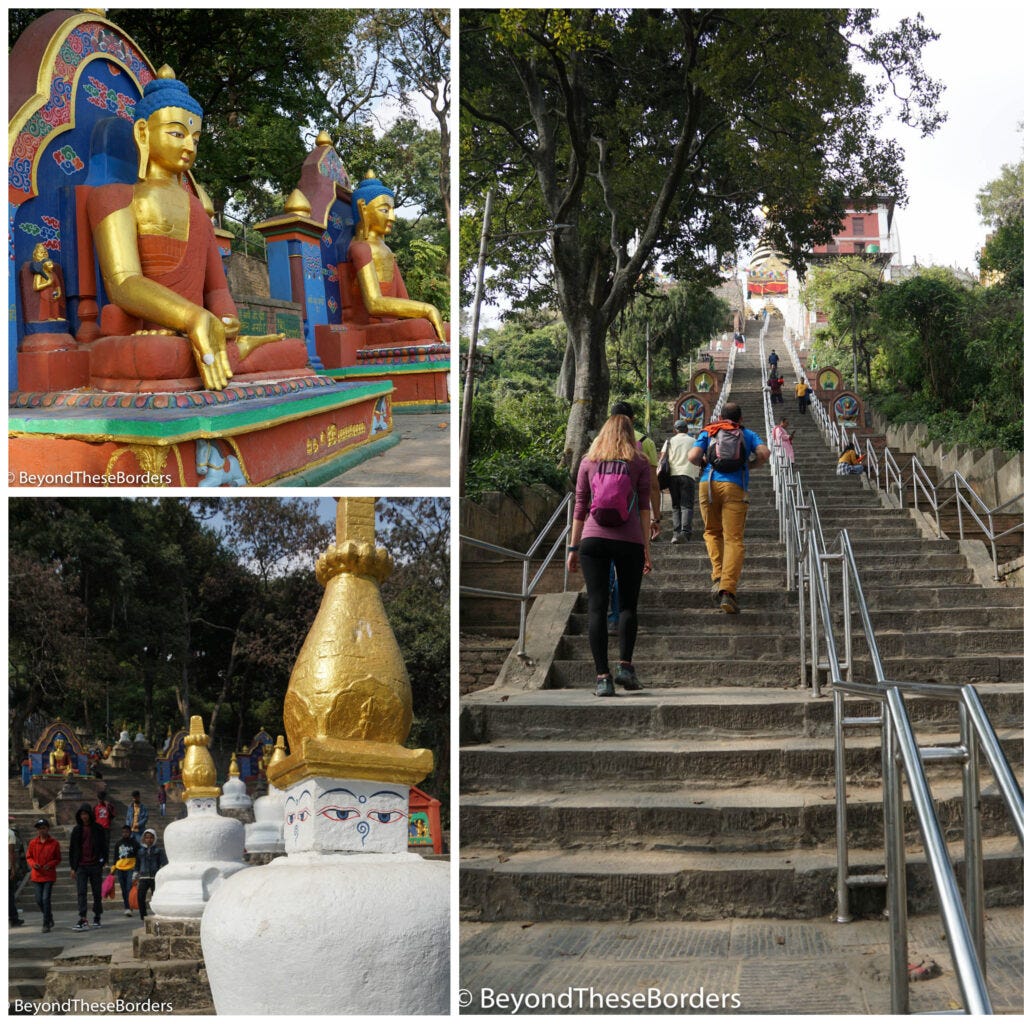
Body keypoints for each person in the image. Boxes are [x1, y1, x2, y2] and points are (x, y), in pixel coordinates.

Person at [86, 68, 285, 391]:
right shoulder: (114, 198)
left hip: (197, 331)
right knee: (157, 356)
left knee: (291, 351)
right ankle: (232, 353)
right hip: (149, 332)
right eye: (177, 133)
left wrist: (224, 319)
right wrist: (192, 318)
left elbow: (216, 290)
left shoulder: (198, 209)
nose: (190, 146)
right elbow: (123, 283)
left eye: (195, 137)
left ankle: (231, 349)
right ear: (143, 132)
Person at [566, 414, 652, 696]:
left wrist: (573, 547)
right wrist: (646, 549)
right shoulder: (639, 462)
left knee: (596, 608)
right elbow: (643, 508)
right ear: (630, 434)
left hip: (593, 539)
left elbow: (580, 507)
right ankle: (625, 667)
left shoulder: (589, 460)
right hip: (629, 541)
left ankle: (602, 678)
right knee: (628, 606)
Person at [688, 401, 769, 614]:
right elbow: (764, 453)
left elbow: (693, 456)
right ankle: (727, 590)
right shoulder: (747, 433)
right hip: (735, 486)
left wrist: (705, 464)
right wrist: (750, 465)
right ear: (740, 418)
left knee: (712, 532)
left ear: (721, 416)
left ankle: (717, 576)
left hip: (708, 484)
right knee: (733, 539)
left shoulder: (709, 430)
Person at [348, 175, 446, 341]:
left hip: (391, 324)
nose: (392, 217)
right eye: (385, 210)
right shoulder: (360, 248)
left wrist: (424, 313)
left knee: (443, 328)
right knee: (419, 328)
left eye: (392, 210)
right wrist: (427, 309)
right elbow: (373, 304)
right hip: (366, 328)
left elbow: (403, 301)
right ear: (363, 209)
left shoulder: (386, 251)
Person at [609, 400, 661, 539]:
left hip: (604, 507)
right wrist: (655, 518)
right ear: (632, 419)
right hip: (634, 508)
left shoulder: (600, 442)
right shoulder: (646, 442)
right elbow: (653, 485)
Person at [660, 418, 700, 542]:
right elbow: (699, 457)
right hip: (688, 475)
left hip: (673, 476)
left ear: (675, 430)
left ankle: (676, 534)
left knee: (676, 505)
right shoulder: (694, 440)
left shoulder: (669, 441)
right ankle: (685, 533)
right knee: (687, 505)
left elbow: (662, 459)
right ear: (687, 429)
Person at [69, 804, 107, 930]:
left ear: (90, 815)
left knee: (96, 893)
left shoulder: (98, 828)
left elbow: (104, 846)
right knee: (81, 892)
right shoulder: (76, 830)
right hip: (81, 866)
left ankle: (97, 917)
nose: (84, 816)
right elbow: (72, 850)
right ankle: (83, 918)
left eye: (86, 814)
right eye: (82, 814)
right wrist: (73, 867)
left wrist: (102, 861)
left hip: (95, 865)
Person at [27, 818, 60, 933]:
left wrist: (50, 864)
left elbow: (58, 858)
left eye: (44, 828)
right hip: (36, 875)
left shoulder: (54, 843)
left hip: (48, 875)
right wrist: (33, 864)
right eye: (39, 829)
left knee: (46, 899)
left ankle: (46, 923)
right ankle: (49, 916)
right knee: (38, 900)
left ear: (48, 829)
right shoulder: (32, 843)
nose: (42, 831)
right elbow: (29, 857)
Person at [135, 829, 168, 921]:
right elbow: (137, 864)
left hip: (155, 877)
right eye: (147, 838)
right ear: (144, 839)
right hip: (143, 877)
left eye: (151, 838)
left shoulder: (159, 851)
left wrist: (162, 873)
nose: (149, 840)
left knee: (156, 897)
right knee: (140, 896)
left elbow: (164, 863)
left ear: (154, 839)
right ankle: (143, 916)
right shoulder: (140, 851)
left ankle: (157, 913)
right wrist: (135, 873)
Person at [111, 826, 140, 917]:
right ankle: (126, 907)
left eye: (127, 832)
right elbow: (115, 856)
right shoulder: (118, 843)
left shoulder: (135, 843)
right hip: (120, 868)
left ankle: (130, 907)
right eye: (123, 832)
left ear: (130, 833)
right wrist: (113, 868)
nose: (125, 833)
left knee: (128, 887)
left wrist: (137, 869)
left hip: (130, 868)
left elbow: (138, 857)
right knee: (123, 889)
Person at [9, 821, 25, 927]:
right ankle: (13, 919)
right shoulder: (9, 833)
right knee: (9, 894)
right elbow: (11, 853)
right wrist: (13, 868)